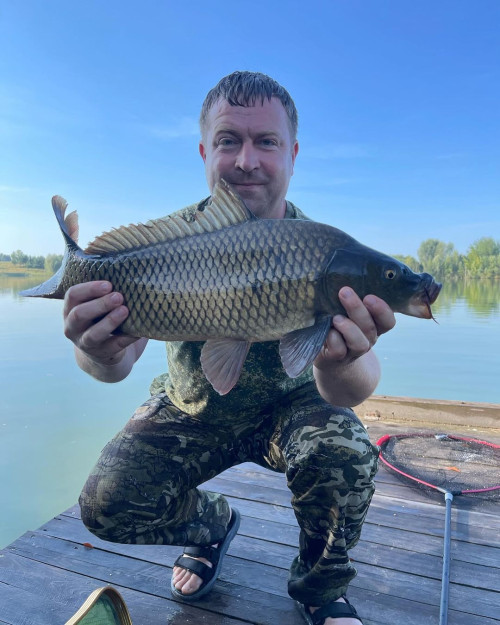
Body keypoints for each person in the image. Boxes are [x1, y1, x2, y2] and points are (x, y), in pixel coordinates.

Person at [67, 71, 396, 625]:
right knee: (106, 503)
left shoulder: (324, 249)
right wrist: (96, 350)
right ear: (205, 151)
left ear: (292, 154)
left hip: (291, 411)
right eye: (228, 141)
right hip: (191, 407)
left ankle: (320, 586)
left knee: (343, 449)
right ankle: (212, 526)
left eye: (266, 141)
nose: (246, 160)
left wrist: (342, 360)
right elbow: (115, 364)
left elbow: (355, 390)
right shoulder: (173, 243)